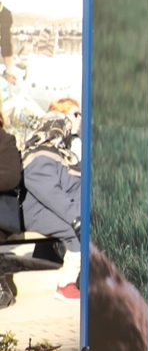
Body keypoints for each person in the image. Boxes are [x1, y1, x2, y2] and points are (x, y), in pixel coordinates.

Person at [22, 110, 79, 301]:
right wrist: (75, 216)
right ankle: (66, 285)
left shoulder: (62, 154)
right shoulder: (40, 154)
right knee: (75, 232)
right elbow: (49, 192)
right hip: (38, 213)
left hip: (56, 210)